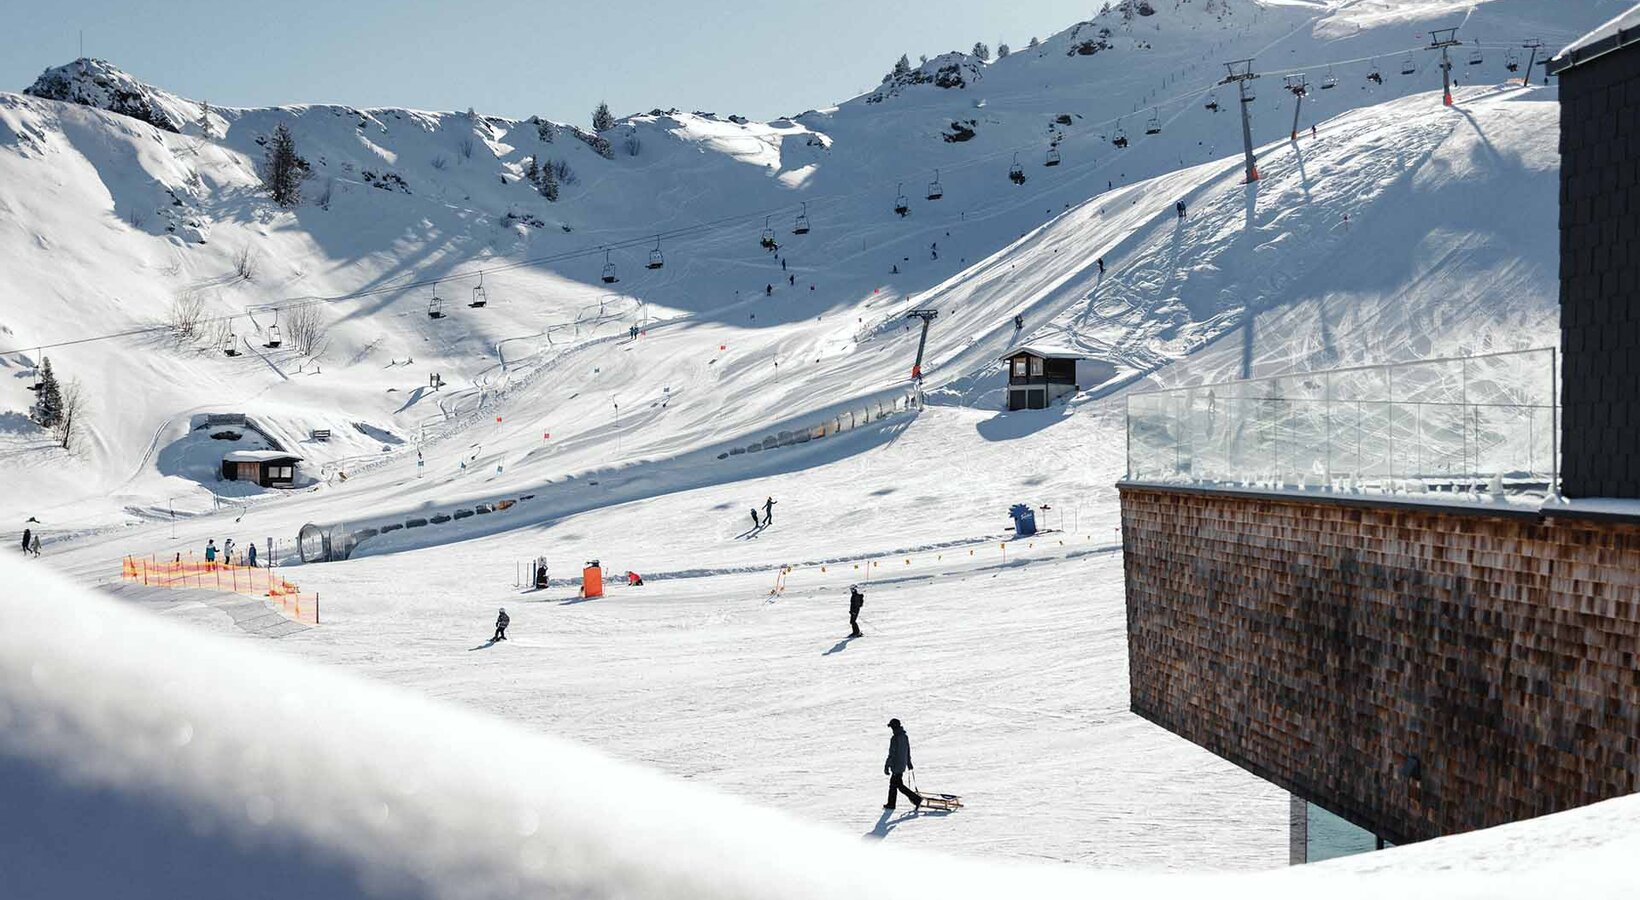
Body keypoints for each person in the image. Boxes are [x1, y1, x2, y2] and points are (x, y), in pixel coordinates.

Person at [883, 719, 921, 811]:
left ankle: (916, 799)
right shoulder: (904, 736)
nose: (891, 729)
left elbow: (892, 754)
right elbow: (907, 751)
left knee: (898, 785)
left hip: (896, 766)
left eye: (891, 727)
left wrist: (887, 766)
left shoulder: (895, 738)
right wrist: (908, 763)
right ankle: (891, 803)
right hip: (902, 765)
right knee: (895, 785)